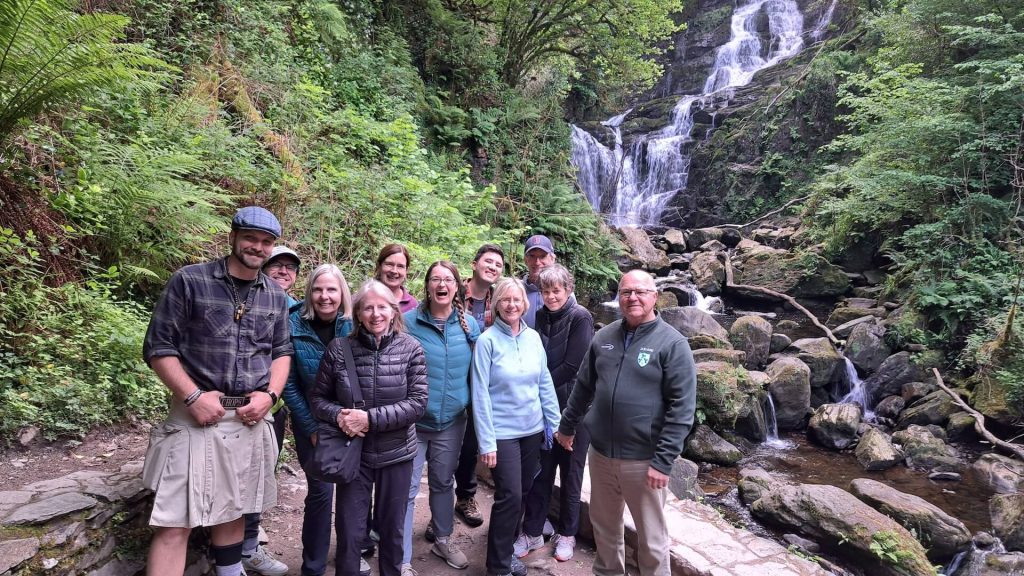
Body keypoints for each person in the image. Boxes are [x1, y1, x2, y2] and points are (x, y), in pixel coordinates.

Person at [141, 206, 292, 576]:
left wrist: (270, 397)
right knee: (175, 522)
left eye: (266, 242)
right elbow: (158, 347)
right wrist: (193, 397)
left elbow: (281, 352)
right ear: (232, 237)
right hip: (196, 418)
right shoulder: (190, 281)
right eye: (251, 238)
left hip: (248, 419)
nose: (258, 247)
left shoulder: (274, 295)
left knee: (235, 509)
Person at [556, 270, 697, 576]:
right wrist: (567, 426)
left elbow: (682, 408)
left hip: (644, 460)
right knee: (605, 530)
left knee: (652, 540)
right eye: (626, 292)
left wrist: (663, 461)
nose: (633, 297)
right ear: (618, 297)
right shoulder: (603, 338)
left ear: (654, 297)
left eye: (640, 292)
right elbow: (583, 387)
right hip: (602, 454)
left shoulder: (672, 344)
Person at [310, 280, 428, 576]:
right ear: (357, 313)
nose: (375, 314)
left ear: (393, 311)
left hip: (397, 453)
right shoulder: (339, 349)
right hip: (354, 455)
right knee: (350, 532)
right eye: (367, 308)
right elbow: (318, 400)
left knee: (392, 531)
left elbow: (417, 403)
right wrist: (340, 416)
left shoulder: (411, 348)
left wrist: (369, 419)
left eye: (382, 307)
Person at [281, 264, 374, 576]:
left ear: (342, 294)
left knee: (354, 496)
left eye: (332, 289)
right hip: (313, 424)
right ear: (310, 292)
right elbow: (289, 384)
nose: (324, 296)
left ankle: (350, 559)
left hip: (352, 422)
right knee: (320, 495)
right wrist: (310, 428)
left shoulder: (353, 325)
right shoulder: (293, 324)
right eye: (318, 289)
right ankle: (314, 567)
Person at [472, 278, 561, 576]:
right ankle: (497, 566)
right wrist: (487, 442)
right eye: (505, 299)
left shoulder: (533, 338)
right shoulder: (487, 341)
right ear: (496, 303)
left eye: (517, 300)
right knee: (509, 495)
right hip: (503, 433)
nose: (512, 305)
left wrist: (557, 424)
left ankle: (507, 550)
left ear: (525, 303)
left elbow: (544, 383)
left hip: (532, 430)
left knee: (522, 493)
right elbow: (480, 394)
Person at [401, 261, 481, 576]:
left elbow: (481, 371)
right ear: (427, 286)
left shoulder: (469, 325)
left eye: (447, 279)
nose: (442, 284)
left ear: (457, 287)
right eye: (436, 279)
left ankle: (443, 539)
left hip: (452, 421)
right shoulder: (407, 322)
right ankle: (402, 554)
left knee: (443, 482)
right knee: (406, 489)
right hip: (412, 422)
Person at [516, 264, 594, 562]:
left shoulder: (581, 317)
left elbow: (574, 366)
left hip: (575, 410)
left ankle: (567, 534)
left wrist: (539, 385)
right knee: (541, 474)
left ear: (568, 289)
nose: (550, 297)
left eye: (556, 291)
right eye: (546, 291)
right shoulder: (539, 315)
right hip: (545, 410)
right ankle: (533, 532)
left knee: (571, 475)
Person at [238, 246, 305, 575]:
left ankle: (248, 547)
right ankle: (225, 551)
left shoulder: (297, 310)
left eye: (290, 268)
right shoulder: (242, 298)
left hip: (275, 407)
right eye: (276, 265)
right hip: (235, 404)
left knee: (260, 478)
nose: (283, 271)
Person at [453, 243, 505, 528]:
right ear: (474, 264)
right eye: (488, 261)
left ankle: (465, 497)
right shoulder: (454, 293)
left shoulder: (498, 301)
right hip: (452, 377)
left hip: (484, 383)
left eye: (498, 264)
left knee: (471, 443)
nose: (493, 267)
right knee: (446, 442)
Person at [521, 235, 556, 328]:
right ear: (525, 260)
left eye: (543, 256)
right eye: (532, 256)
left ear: (552, 259)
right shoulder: (517, 290)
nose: (537, 262)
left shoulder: (563, 291)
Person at [375, 243, 418, 313]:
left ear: (406, 271)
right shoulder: (362, 299)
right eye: (389, 264)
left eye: (400, 266)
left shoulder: (413, 306)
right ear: (379, 266)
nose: (394, 271)